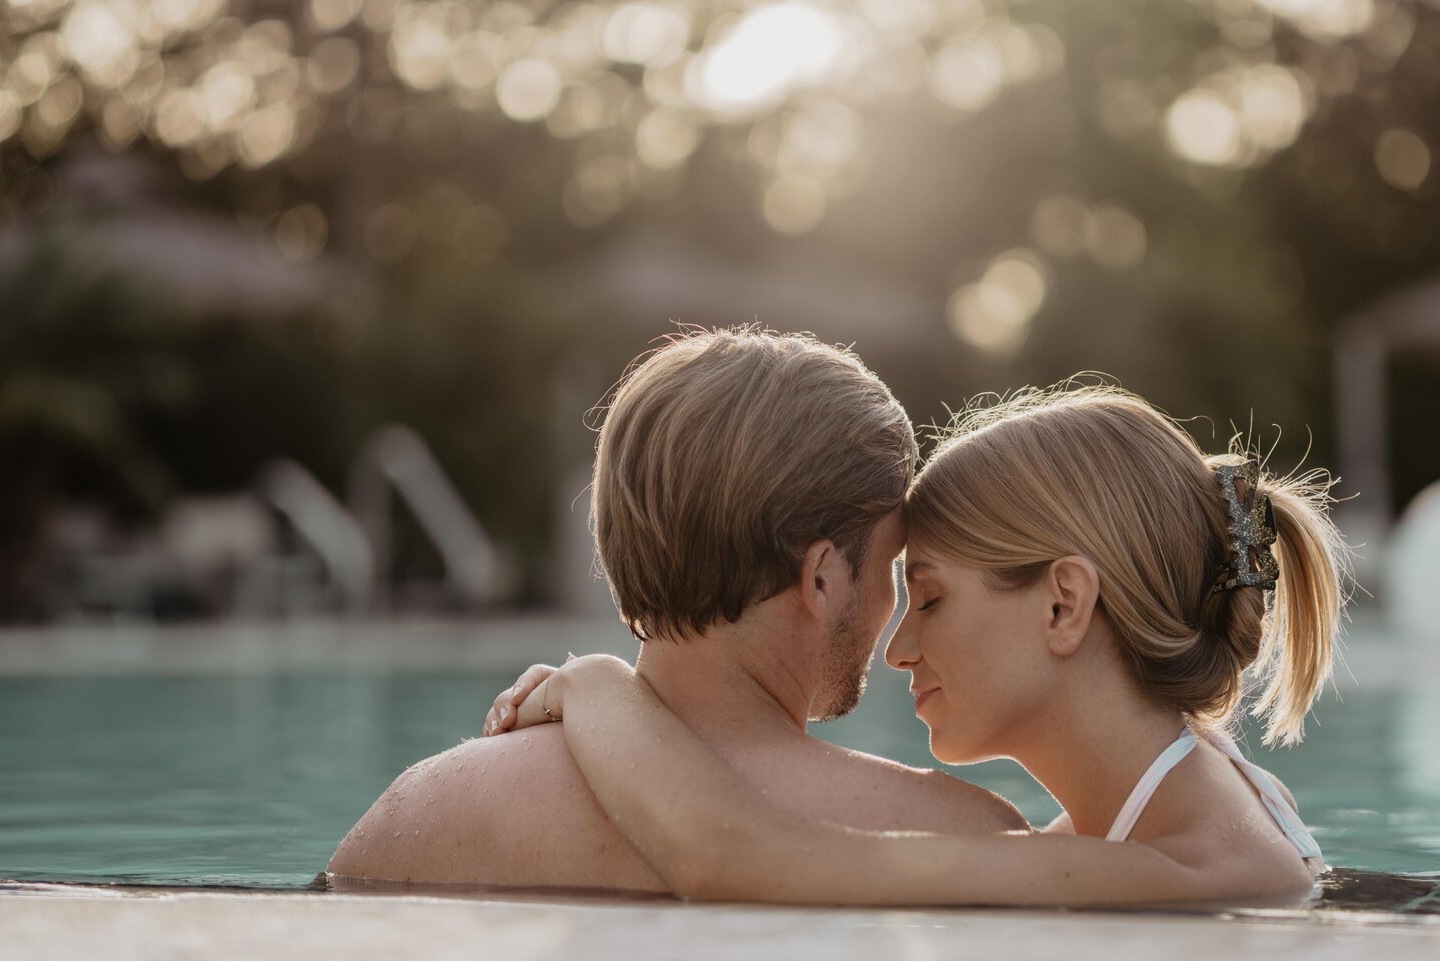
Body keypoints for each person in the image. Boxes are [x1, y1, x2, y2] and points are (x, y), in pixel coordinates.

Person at [487, 387, 1349, 905]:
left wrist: (598, 682)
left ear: (1063, 605)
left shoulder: (1181, 869)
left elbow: (733, 861)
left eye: (929, 596)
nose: (897, 645)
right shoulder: (1198, 803)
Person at [326, 327, 1027, 890]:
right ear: (820, 579)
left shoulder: (419, 808)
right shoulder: (956, 836)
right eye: (892, 566)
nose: (892, 609)